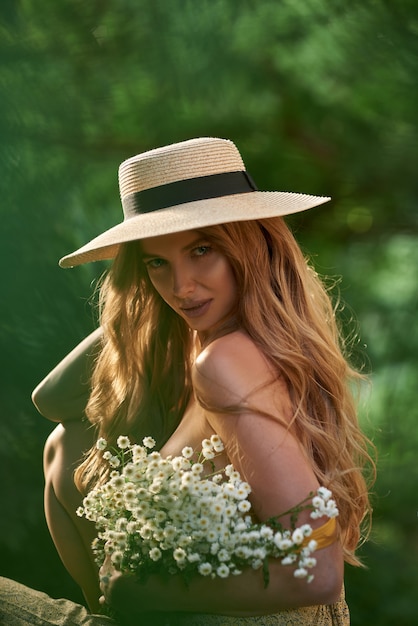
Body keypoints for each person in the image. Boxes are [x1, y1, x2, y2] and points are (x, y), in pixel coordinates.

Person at [1, 137, 374, 625]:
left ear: (251, 245)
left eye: (202, 250)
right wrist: (136, 312)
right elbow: (52, 400)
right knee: (68, 440)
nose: (182, 286)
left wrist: (143, 590)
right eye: (157, 262)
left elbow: (322, 574)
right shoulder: (243, 344)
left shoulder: (224, 363)